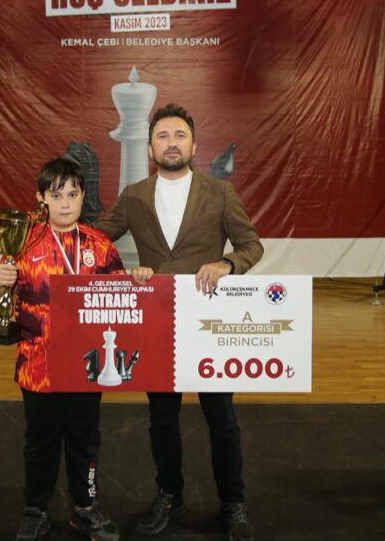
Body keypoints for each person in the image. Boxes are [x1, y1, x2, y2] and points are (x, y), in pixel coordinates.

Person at [93, 103, 264, 541]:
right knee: (162, 420)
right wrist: (54, 231)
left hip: (209, 324)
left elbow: (251, 245)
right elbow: (95, 239)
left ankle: (233, 502)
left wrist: (227, 263)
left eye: (179, 135)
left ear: (193, 144)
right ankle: (169, 493)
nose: (172, 143)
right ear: (151, 148)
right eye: (163, 136)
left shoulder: (220, 192)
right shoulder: (134, 195)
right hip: (157, 325)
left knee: (222, 419)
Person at [0, 158, 124, 541]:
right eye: (57, 195)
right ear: (41, 199)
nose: (65, 203)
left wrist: (138, 279)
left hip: (87, 363)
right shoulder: (23, 239)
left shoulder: (99, 244)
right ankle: (36, 508)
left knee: (85, 438)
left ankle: (86, 505)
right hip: (38, 361)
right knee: (40, 439)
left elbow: (119, 294)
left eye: (73, 194)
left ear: (83, 197)